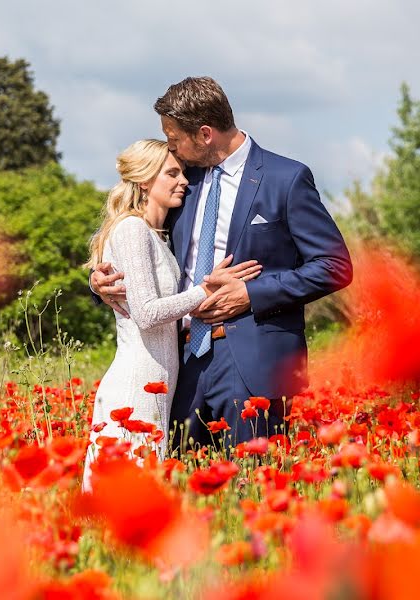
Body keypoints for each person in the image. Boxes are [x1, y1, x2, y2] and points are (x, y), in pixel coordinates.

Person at [92, 76, 353, 452]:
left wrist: (251, 293)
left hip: (251, 363)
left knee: (252, 488)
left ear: (204, 133)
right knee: (183, 487)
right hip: (180, 364)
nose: (171, 148)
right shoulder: (183, 182)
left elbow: (333, 265)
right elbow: (138, 243)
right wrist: (99, 282)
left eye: (174, 138)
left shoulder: (286, 179)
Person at [82, 139, 261, 489]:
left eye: (182, 173)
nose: (184, 181)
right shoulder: (132, 229)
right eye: (172, 173)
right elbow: (147, 314)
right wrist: (206, 291)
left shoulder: (156, 235)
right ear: (145, 181)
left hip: (161, 380)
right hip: (137, 380)